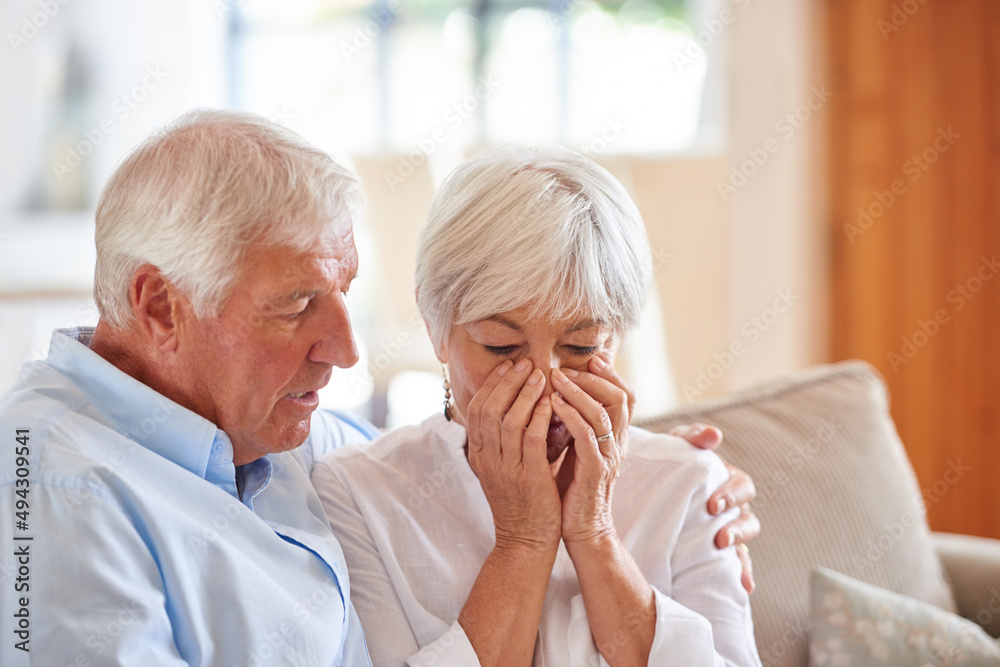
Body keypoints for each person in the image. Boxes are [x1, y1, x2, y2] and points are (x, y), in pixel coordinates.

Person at [0, 112, 754, 665]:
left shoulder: (271, 431)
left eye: (342, 295)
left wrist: (668, 469)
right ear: (161, 306)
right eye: (296, 304)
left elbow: (436, 459)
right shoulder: (47, 491)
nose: (347, 349)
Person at [312, 145, 762, 666]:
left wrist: (594, 532)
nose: (546, 386)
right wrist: (523, 540)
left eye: (582, 347)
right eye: (502, 348)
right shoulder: (359, 493)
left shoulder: (688, 485)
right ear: (436, 328)